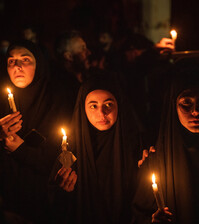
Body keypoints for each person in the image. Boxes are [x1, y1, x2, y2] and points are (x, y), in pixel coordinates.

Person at [132, 59, 199, 224]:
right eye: (186, 103)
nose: (196, 111)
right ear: (173, 107)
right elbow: (139, 214)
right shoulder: (155, 163)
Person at [49, 73, 147, 224]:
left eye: (108, 104)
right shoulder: (70, 149)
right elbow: (56, 206)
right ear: (83, 109)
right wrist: (63, 190)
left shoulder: (136, 145)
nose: (102, 113)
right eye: (93, 106)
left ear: (119, 105)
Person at [0, 40, 68, 223]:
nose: (17, 66)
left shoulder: (56, 102)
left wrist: (21, 150)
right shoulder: (1, 103)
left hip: (44, 203)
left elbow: (60, 160)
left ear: (39, 65)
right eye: (11, 61)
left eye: (25, 60)